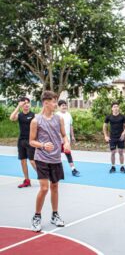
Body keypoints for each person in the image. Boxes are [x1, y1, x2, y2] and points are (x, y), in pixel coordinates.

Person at [29, 91, 70, 232]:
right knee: (44, 188)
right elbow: (31, 141)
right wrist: (42, 145)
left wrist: (66, 143)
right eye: (53, 102)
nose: (55, 104)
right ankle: (37, 216)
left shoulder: (59, 119)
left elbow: (64, 135)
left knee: (55, 187)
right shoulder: (36, 121)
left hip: (56, 158)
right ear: (46, 103)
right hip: (41, 158)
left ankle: (54, 215)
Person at [10, 97, 37, 188]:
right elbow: (11, 118)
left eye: (27, 103)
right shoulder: (19, 115)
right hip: (21, 141)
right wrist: (18, 106)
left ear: (30, 104)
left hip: (31, 141)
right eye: (24, 103)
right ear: (21, 105)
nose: (26, 105)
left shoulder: (33, 115)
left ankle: (44, 178)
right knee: (23, 161)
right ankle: (27, 180)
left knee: (32, 161)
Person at [103, 102, 125, 173]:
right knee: (113, 152)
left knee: (121, 152)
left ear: (119, 108)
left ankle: (122, 167)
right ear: (112, 108)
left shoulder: (122, 116)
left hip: (120, 137)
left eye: (117, 106)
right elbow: (104, 126)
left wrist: (123, 133)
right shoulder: (109, 117)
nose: (116, 108)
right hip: (112, 138)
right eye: (114, 107)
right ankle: (113, 166)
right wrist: (106, 136)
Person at [56, 100, 80, 177]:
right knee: (56, 155)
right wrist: (59, 137)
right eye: (62, 105)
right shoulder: (56, 115)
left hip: (67, 139)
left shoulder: (68, 115)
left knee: (68, 154)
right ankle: (57, 171)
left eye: (65, 105)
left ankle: (73, 169)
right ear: (59, 107)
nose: (64, 107)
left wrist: (72, 136)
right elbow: (55, 128)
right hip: (58, 140)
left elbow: (70, 126)